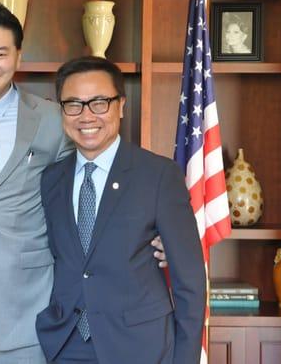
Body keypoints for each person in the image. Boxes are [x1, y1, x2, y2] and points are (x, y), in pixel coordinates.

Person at [0, 3, 167, 363]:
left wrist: (154, 232)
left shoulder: (56, 117)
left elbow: (98, 180)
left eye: (1, 53)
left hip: (28, 309)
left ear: (18, 55)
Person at [36, 56, 206, 363]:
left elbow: (190, 282)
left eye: (99, 102)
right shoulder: (51, 179)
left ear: (121, 106)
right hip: (67, 344)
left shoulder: (158, 175)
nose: (86, 116)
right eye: (73, 104)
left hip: (140, 346)